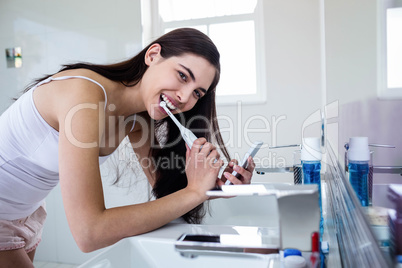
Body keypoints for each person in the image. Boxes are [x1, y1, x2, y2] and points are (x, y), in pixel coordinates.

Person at [0, 28, 255, 267]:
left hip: (27, 211)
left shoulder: (137, 119)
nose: (185, 97)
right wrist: (194, 192)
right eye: (182, 76)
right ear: (153, 55)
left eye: (197, 93)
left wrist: (211, 187)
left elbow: (167, 195)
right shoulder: (83, 98)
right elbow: (89, 233)